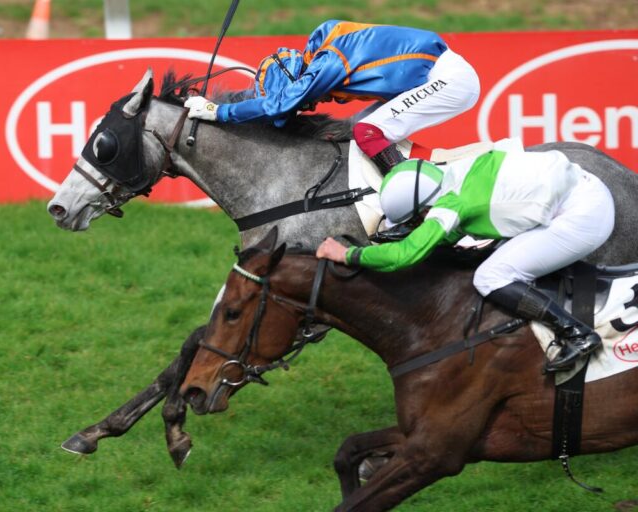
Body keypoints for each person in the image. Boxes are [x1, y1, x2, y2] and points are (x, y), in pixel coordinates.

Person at [316, 150, 615, 372]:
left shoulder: (450, 205)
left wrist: (348, 254)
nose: (417, 224)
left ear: (425, 208)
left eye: (415, 219)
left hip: (583, 217)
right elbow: (445, 239)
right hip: (585, 190)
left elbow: (405, 255)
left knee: (489, 277)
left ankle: (577, 334)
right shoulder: (453, 174)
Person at [184, 19, 480, 174]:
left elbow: (278, 105)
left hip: (450, 79)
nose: (311, 105)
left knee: (367, 131)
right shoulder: (324, 53)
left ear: (297, 79)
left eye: (305, 102)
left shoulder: (328, 61)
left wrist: (217, 111)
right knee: (352, 132)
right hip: (434, 75)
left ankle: (416, 200)